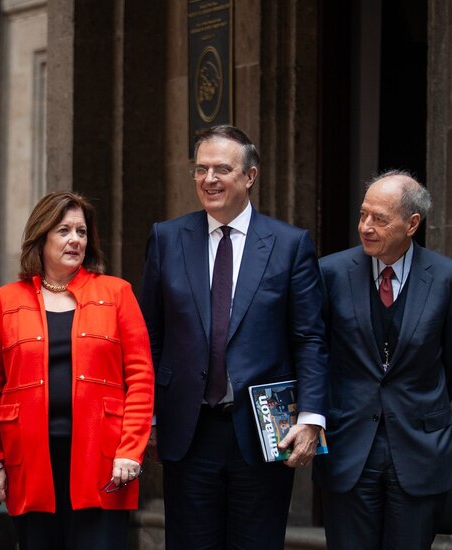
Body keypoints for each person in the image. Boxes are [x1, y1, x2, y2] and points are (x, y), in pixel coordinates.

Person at [139, 124, 328, 549]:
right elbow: (149, 336)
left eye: (222, 169)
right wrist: (147, 417)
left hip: (263, 432)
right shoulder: (166, 239)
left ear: (250, 176)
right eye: (201, 169)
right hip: (188, 430)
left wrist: (311, 417)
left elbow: (310, 339)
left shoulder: (289, 244)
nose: (209, 179)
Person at [0, 192, 154, 549]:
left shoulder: (117, 293)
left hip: (104, 460)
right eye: (63, 230)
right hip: (28, 461)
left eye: (81, 231)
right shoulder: (7, 299)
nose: (75, 239)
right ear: (41, 237)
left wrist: (130, 450)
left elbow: (140, 376)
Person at [315, 171, 452, 548]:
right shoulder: (330, 273)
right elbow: (316, 352)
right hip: (348, 446)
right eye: (363, 214)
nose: (366, 227)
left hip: (420, 448)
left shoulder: (450, 279)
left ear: (412, 223)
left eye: (380, 219)